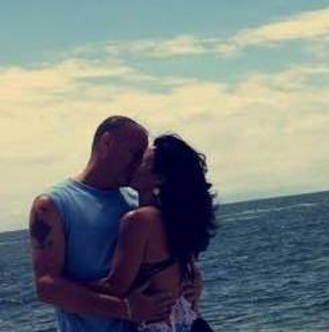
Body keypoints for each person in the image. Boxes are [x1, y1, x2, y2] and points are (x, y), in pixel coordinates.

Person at [29, 115, 198, 331]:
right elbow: (46, 287)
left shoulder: (138, 203)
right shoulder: (52, 205)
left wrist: (193, 281)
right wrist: (124, 309)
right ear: (106, 143)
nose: (138, 163)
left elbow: (174, 260)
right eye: (134, 154)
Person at [87, 133, 218, 331]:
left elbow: (115, 287)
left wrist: (60, 287)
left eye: (140, 160)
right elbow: (189, 274)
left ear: (159, 179)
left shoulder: (139, 220)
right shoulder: (175, 219)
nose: (131, 163)